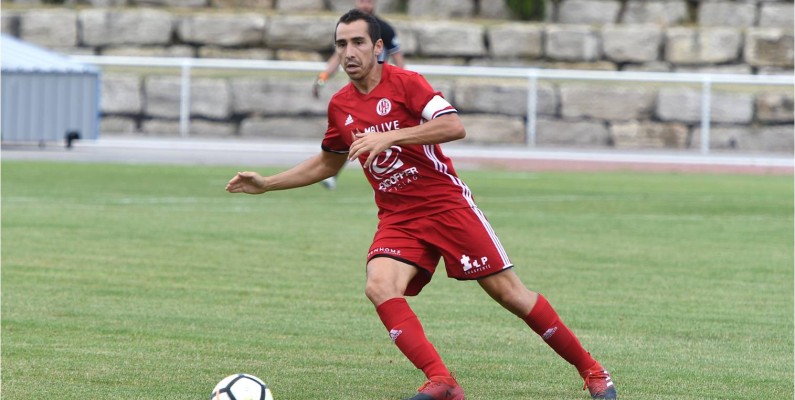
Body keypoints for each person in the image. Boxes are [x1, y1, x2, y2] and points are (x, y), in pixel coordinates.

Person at [226, 9, 617, 400]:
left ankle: (593, 370)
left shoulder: (407, 84)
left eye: (358, 42)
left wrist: (391, 136)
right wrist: (267, 184)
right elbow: (329, 161)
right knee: (379, 285)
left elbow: (453, 126)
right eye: (341, 44)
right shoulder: (341, 106)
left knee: (509, 294)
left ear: (378, 47)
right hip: (398, 216)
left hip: (446, 206)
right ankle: (441, 381)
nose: (349, 52)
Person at [313, 0, 405, 190]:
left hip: (382, 94)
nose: (366, 5)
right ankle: (334, 173)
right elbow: (335, 59)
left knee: (384, 137)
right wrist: (322, 77)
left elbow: (398, 58)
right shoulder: (347, 30)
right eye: (363, 1)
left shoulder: (384, 29)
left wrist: (401, 84)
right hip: (357, 96)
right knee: (354, 136)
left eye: (370, 1)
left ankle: (394, 179)